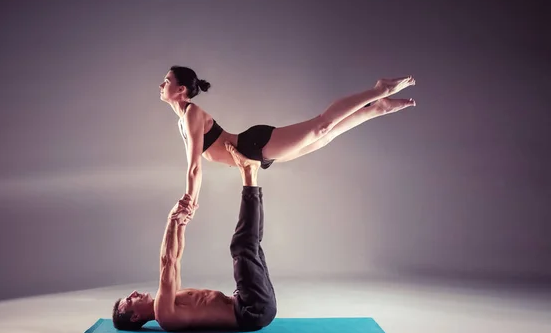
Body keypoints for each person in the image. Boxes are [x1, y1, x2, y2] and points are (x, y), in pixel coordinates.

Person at [160, 66, 417, 221]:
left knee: (321, 125)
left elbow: (194, 166)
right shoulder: (182, 120)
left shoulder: (192, 113)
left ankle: (378, 90)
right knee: (325, 136)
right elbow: (195, 165)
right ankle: (376, 109)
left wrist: (188, 200)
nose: (162, 85)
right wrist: (190, 202)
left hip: (253, 144)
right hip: (254, 156)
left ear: (182, 90)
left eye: (167, 81)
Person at [112, 142, 277, 332]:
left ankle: (251, 173)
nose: (133, 293)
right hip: (251, 311)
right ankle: (249, 173)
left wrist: (181, 224)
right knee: (241, 247)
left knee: (252, 245)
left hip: (252, 304)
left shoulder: (169, 299)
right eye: (130, 300)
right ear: (135, 316)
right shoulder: (164, 313)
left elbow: (176, 257)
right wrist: (171, 219)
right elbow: (168, 261)